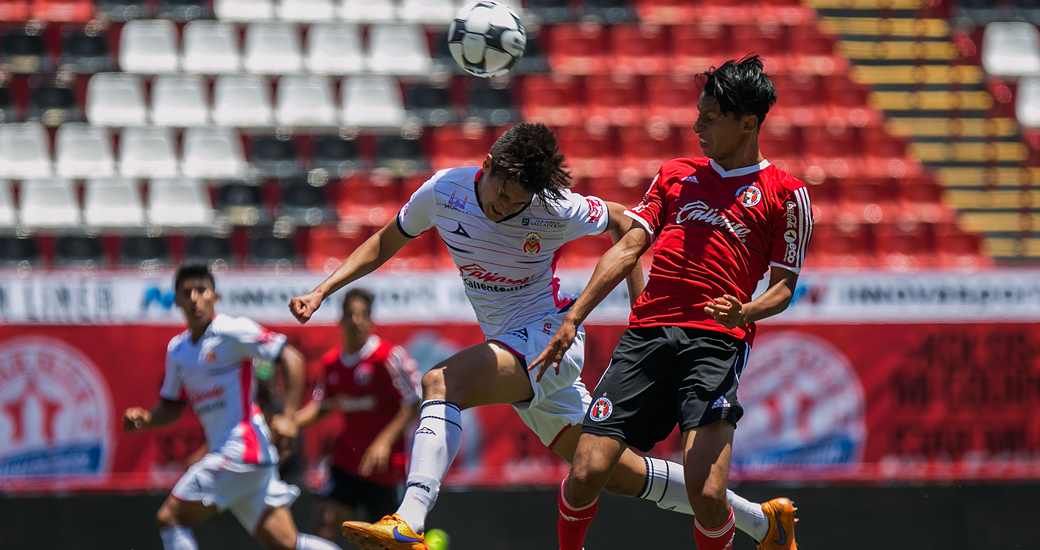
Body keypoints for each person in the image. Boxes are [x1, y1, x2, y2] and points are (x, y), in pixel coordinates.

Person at [289, 122, 796, 550]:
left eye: (517, 201)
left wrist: (637, 299)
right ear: (486, 164)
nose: (505, 206)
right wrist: (322, 290)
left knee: (442, 382)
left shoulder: (555, 208)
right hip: (514, 347)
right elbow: (384, 242)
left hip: (550, 338)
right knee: (608, 472)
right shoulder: (444, 192)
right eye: (501, 192)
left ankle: (410, 519)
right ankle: (761, 521)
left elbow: (626, 223)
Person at [530, 55, 812, 550]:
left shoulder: (787, 194)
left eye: (710, 116)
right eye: (698, 111)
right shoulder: (676, 174)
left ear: (748, 123)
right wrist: (574, 317)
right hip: (646, 337)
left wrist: (745, 312)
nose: (696, 124)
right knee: (586, 471)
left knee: (706, 494)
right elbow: (628, 246)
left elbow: (784, 288)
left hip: (717, 343)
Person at [122, 263, 343, 550]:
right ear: (175, 300)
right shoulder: (177, 350)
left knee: (170, 518)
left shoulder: (230, 330)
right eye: (186, 293)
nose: (194, 299)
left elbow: (292, 358)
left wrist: (288, 417)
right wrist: (146, 419)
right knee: (288, 544)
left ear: (215, 297)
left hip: (241, 451)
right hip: (245, 459)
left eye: (202, 290)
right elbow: (171, 408)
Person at [294, 288, 422, 542]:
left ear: (371, 321)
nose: (356, 321)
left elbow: (413, 402)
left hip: (385, 466)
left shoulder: (386, 358)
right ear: (340, 320)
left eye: (362, 315)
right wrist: (289, 423)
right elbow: (323, 406)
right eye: (350, 314)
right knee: (324, 522)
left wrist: (384, 442)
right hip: (347, 462)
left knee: (387, 540)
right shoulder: (332, 363)